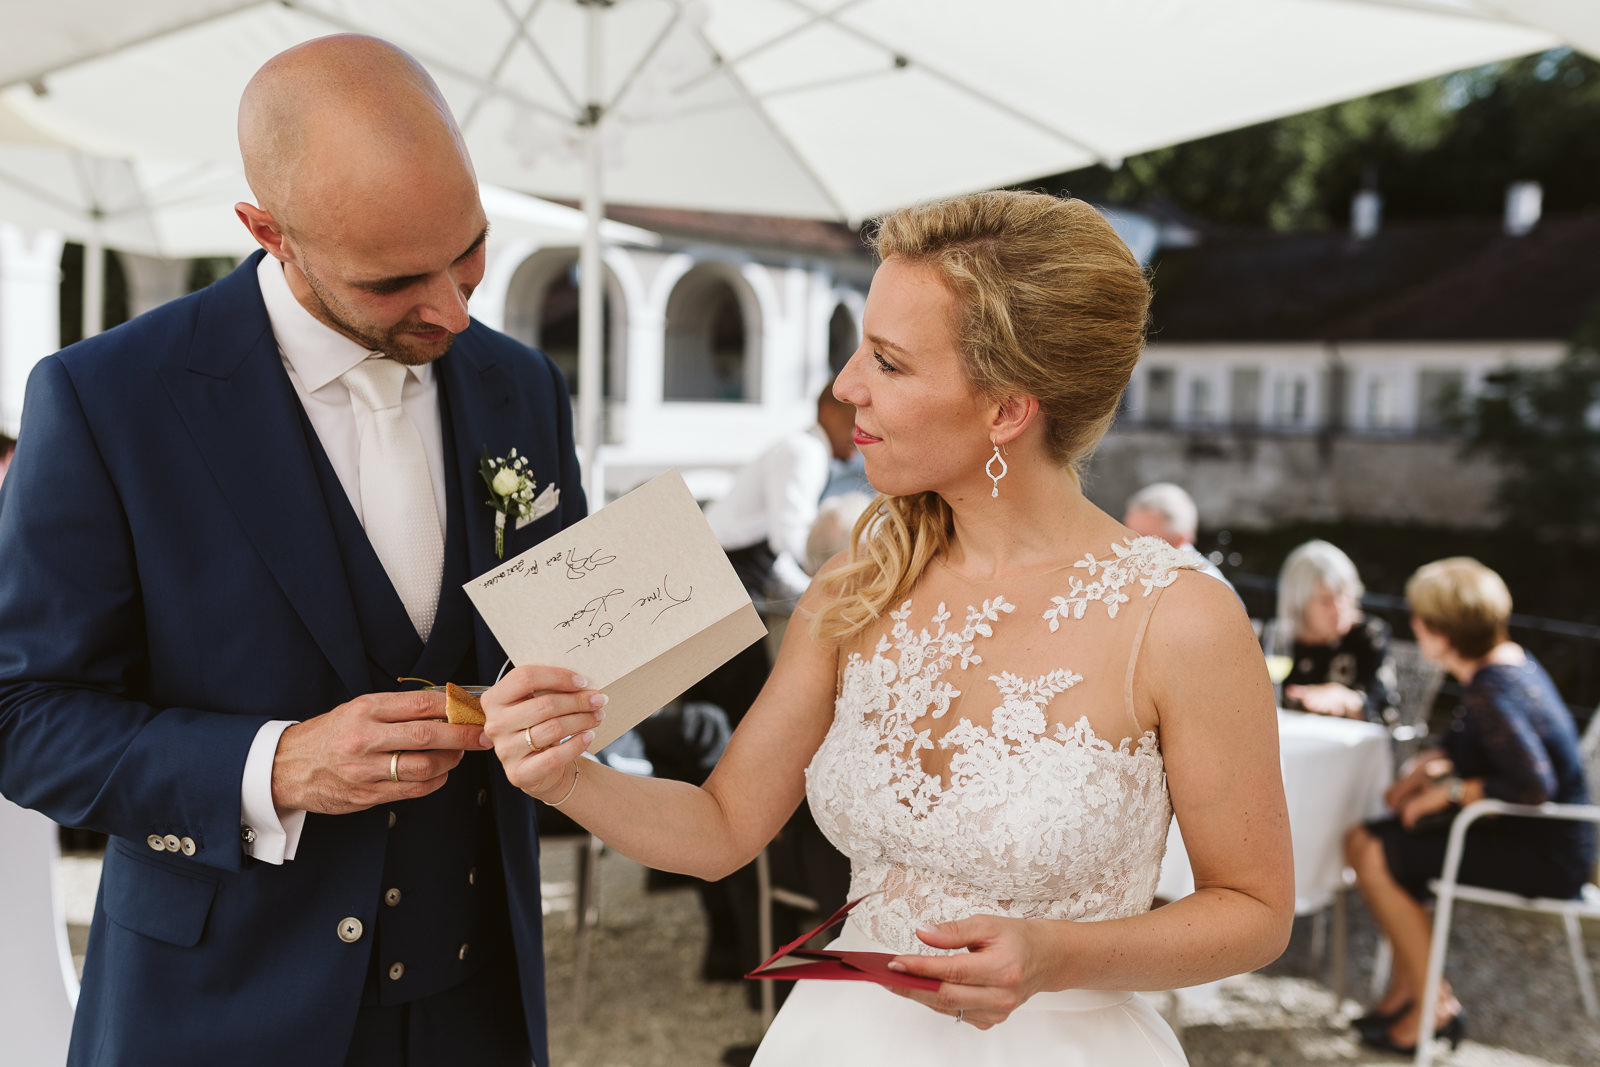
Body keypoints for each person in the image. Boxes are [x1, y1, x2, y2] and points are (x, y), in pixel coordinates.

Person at [482, 190, 1293, 1065]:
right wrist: (566, 776)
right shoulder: (857, 585)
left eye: (889, 362)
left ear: (1006, 409)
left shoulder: (1179, 618)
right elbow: (720, 826)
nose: (846, 385)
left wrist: (1058, 955)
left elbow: (1255, 910)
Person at [0, 36, 583, 1067]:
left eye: (471, 250)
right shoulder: (107, 399)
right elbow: (25, 715)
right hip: (220, 1007)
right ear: (270, 233)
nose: (453, 308)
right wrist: (275, 765)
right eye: (395, 280)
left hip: (477, 998)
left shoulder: (522, 384)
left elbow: (566, 633)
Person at [1343, 557, 1595, 1055]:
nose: (1414, 627)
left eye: (1419, 619)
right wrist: (1431, 767)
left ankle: (1432, 1007)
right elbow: (1482, 747)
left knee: (1375, 852)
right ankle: (1416, 992)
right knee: (1365, 840)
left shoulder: (1495, 688)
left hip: (1545, 851)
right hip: (1519, 832)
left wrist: (1449, 792)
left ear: (1441, 634)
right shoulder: (1502, 666)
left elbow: (1533, 785)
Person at [705, 381, 860, 614]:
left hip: (736, 564)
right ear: (829, 412)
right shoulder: (805, 452)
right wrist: (826, 584)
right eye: (855, 424)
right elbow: (788, 537)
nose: (860, 437)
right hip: (727, 567)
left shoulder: (805, 448)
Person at [1273, 539, 1398, 720]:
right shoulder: (1282, 641)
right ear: (1300, 604)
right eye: (1325, 601)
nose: (1337, 608)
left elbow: (1386, 711)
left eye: (1342, 595)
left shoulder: (1368, 635)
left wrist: (1344, 698)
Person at [1122, 481, 1233, 590]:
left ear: (1180, 540)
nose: (1131, 545)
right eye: (1128, 534)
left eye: (1145, 539)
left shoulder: (1207, 586)